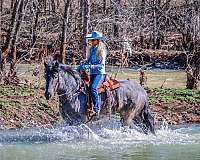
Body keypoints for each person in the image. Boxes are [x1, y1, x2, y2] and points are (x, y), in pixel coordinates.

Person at [77, 31, 107, 116]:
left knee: (93, 88)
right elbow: (89, 60)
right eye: (91, 40)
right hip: (92, 73)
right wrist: (84, 62)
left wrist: (90, 67)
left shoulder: (102, 51)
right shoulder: (91, 49)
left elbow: (101, 65)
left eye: (93, 40)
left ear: (98, 40)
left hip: (99, 73)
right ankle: (88, 106)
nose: (91, 41)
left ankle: (97, 109)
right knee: (85, 87)